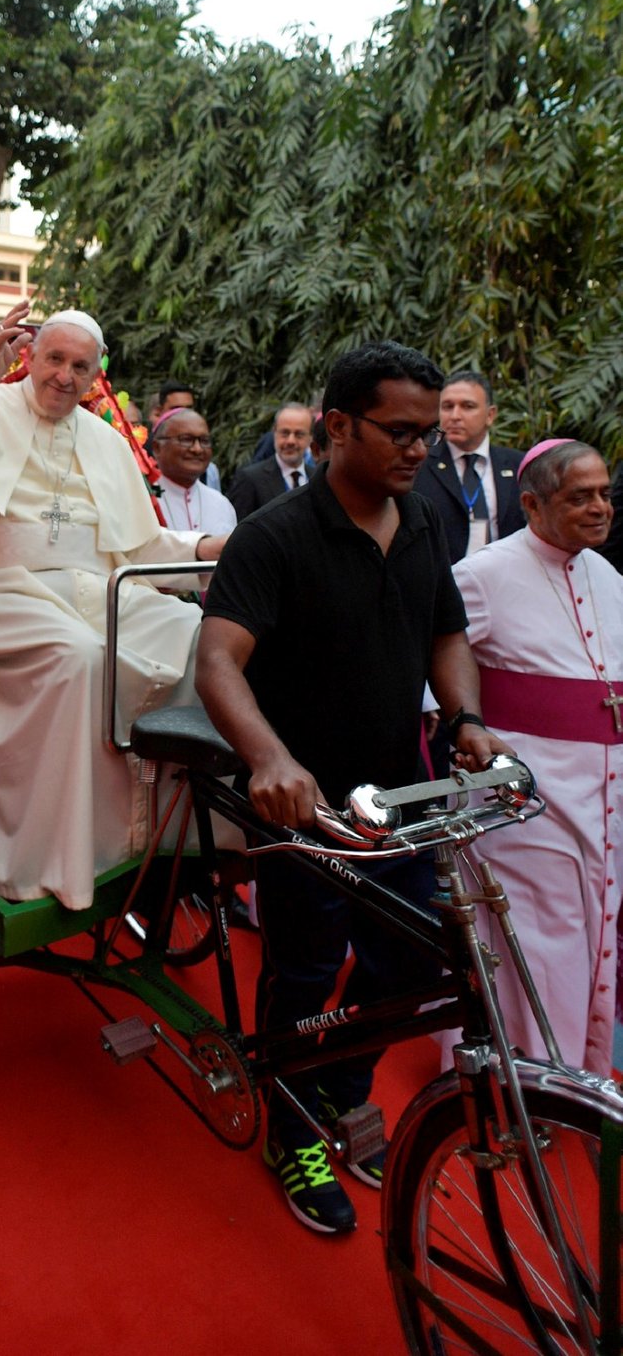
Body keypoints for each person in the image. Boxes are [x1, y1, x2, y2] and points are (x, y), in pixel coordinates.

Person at [196, 340, 504, 1236]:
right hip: (305, 805)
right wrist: (268, 759)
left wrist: (465, 719)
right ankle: (289, 1126)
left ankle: (340, 1087)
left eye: (425, 431)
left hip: (399, 791)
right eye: (399, 431)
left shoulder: (423, 522)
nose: (419, 448)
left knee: (408, 954)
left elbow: (446, 629)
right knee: (300, 968)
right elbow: (217, 661)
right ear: (337, 427)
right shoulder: (275, 537)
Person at [0, 303, 227, 911]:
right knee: (76, 655)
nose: (65, 376)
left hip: (92, 590)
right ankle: (50, 859)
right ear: (30, 356)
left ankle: (163, 836)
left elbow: (141, 545)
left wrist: (211, 547)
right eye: (55, 359)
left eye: (81, 366)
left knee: (197, 636)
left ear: (95, 374)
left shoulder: (104, 441)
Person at [449, 438, 622, 1075]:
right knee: (538, 945)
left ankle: (579, 1072)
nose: (600, 508)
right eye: (580, 497)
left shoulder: (606, 574)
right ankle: (521, 1083)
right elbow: (438, 676)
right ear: (531, 504)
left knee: (591, 937)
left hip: (603, 795)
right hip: (523, 802)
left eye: (604, 494)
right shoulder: (482, 573)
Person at [413, 371, 524, 562]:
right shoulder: (418, 463)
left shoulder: (518, 465)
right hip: (445, 582)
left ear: (490, 415)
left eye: (467, 406)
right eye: (447, 407)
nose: (455, 416)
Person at [152, 408, 237, 533]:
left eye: (204, 441)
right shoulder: (144, 499)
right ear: (157, 448)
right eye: (186, 439)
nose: (197, 449)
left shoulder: (222, 504)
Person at [227, 404, 314, 520]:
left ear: (310, 438)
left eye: (299, 434)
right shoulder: (250, 479)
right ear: (274, 433)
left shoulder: (318, 477)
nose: (291, 441)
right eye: (285, 433)